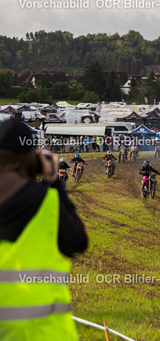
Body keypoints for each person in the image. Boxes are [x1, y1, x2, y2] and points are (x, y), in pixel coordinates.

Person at [0, 119, 87, 338]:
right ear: (32, 158)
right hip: (43, 331)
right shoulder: (45, 200)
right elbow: (77, 242)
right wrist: (54, 183)